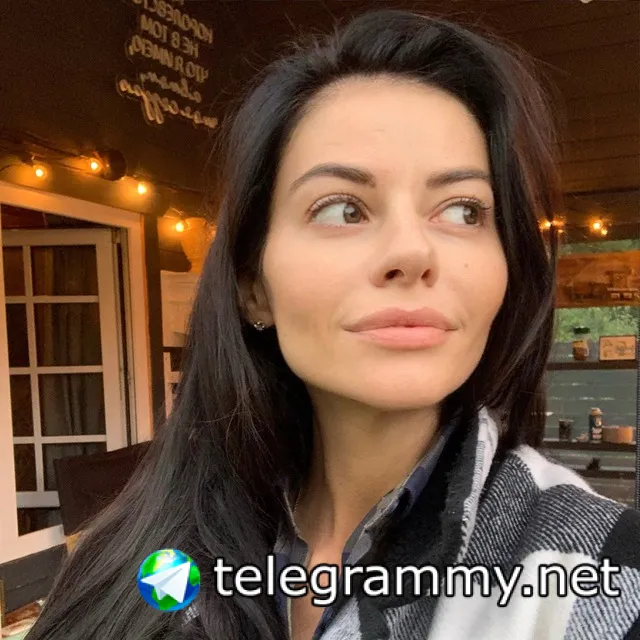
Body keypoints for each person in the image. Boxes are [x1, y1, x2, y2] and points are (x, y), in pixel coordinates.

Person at [26, 9, 640, 640]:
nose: (412, 252)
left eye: (462, 210)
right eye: (343, 209)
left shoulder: (598, 571)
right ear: (253, 287)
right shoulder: (137, 555)